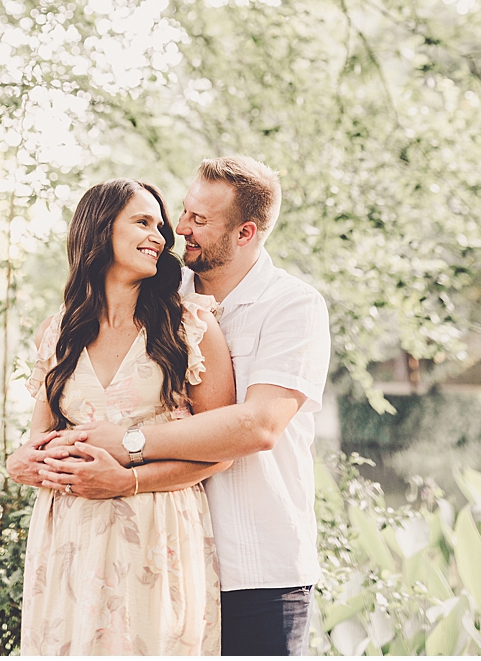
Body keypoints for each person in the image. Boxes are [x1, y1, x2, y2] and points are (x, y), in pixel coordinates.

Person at [40, 157, 332, 657]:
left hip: (257, 568)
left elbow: (258, 426)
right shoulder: (160, 302)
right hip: (162, 557)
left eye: (199, 220)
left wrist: (128, 447)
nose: (179, 229)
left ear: (245, 234)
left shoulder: (292, 306)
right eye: (184, 212)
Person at [5, 178, 235, 655]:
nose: (161, 235)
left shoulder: (188, 324)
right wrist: (19, 463)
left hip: (157, 532)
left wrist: (127, 482)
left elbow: (221, 451)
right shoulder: (57, 332)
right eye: (142, 222)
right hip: (70, 533)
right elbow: (38, 440)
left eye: (161, 225)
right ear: (100, 230)